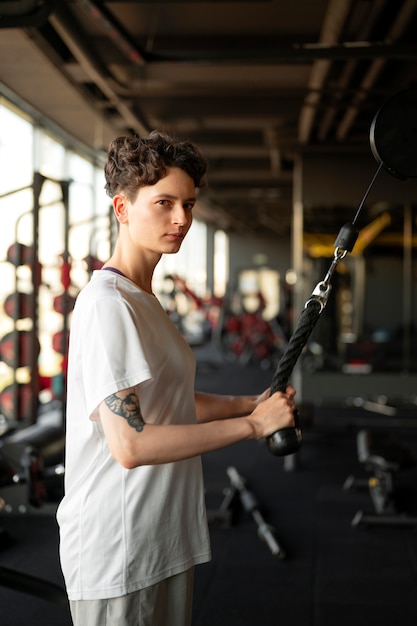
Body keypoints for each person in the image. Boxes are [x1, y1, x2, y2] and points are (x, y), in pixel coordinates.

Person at [57, 130, 296, 626]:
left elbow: (171, 402)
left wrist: (252, 403)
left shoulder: (144, 299)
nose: (182, 218)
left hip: (159, 536)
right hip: (118, 546)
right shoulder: (108, 304)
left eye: (187, 203)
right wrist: (254, 428)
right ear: (122, 209)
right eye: (164, 202)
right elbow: (131, 445)